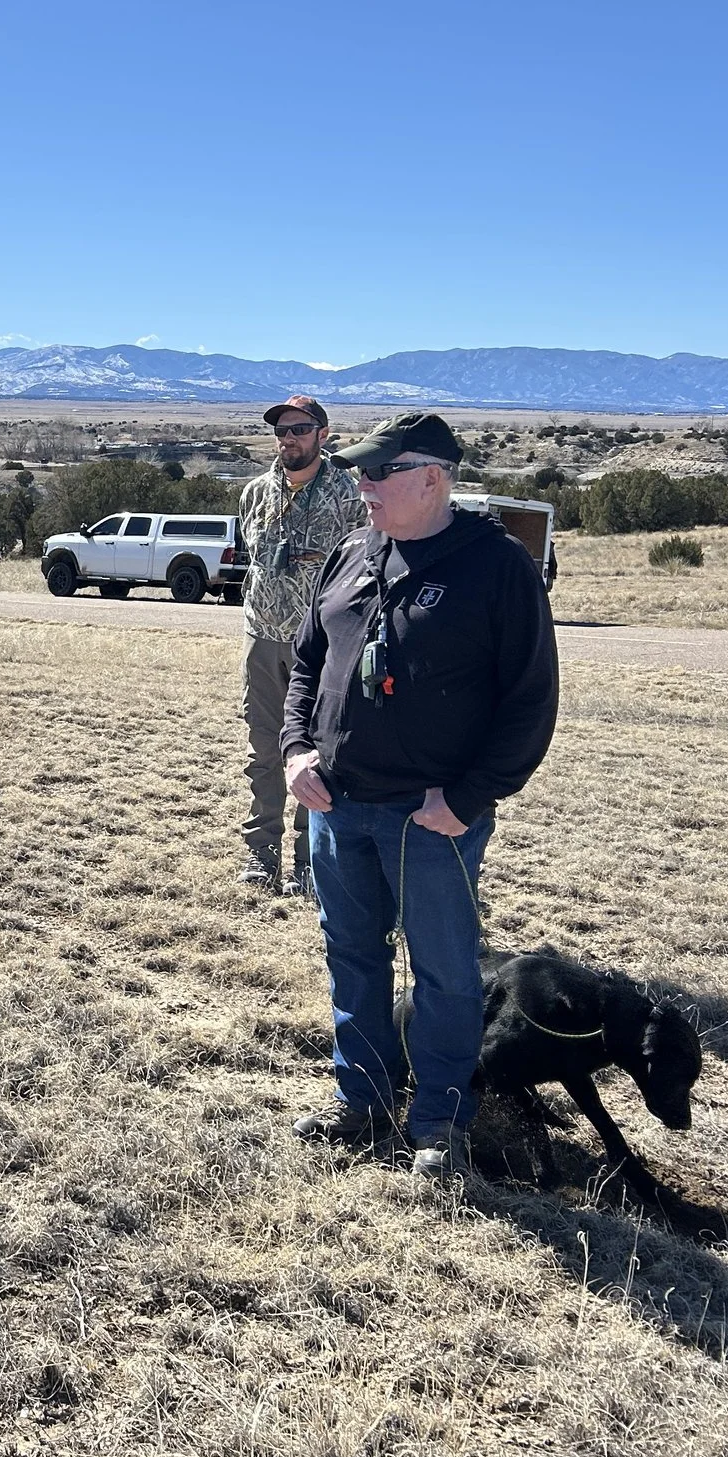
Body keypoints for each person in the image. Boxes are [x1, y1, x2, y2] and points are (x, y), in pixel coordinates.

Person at [281, 411, 558, 1181]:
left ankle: (439, 1122)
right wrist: (296, 750)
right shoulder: (352, 552)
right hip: (336, 805)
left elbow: (530, 702)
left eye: (380, 472)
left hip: (431, 820)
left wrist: (467, 800)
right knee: (353, 956)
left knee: (444, 972)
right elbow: (306, 663)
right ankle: (362, 1100)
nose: (362, 486)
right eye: (359, 472)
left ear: (432, 477)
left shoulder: (497, 566)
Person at [234, 395, 366, 894]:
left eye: (300, 429)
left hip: (324, 648)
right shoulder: (255, 494)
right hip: (263, 639)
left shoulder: (349, 494)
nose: (288, 438)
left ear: (322, 434)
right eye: (281, 430)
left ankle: (311, 859)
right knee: (264, 750)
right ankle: (260, 853)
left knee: (319, 753)